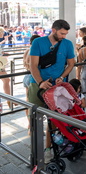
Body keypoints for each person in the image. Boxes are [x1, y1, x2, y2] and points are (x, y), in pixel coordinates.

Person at [28, 19, 75, 163]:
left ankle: (48, 149)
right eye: (61, 33)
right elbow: (33, 65)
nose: (64, 36)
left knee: (54, 120)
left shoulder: (67, 44)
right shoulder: (38, 42)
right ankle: (34, 151)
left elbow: (71, 63)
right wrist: (40, 82)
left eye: (65, 34)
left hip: (57, 87)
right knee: (35, 119)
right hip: (38, 85)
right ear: (53, 30)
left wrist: (62, 76)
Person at [22, 34, 40, 134]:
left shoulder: (26, 51)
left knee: (27, 101)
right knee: (34, 103)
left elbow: (25, 63)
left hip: (26, 76)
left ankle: (30, 125)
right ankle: (32, 126)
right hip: (33, 77)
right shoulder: (36, 51)